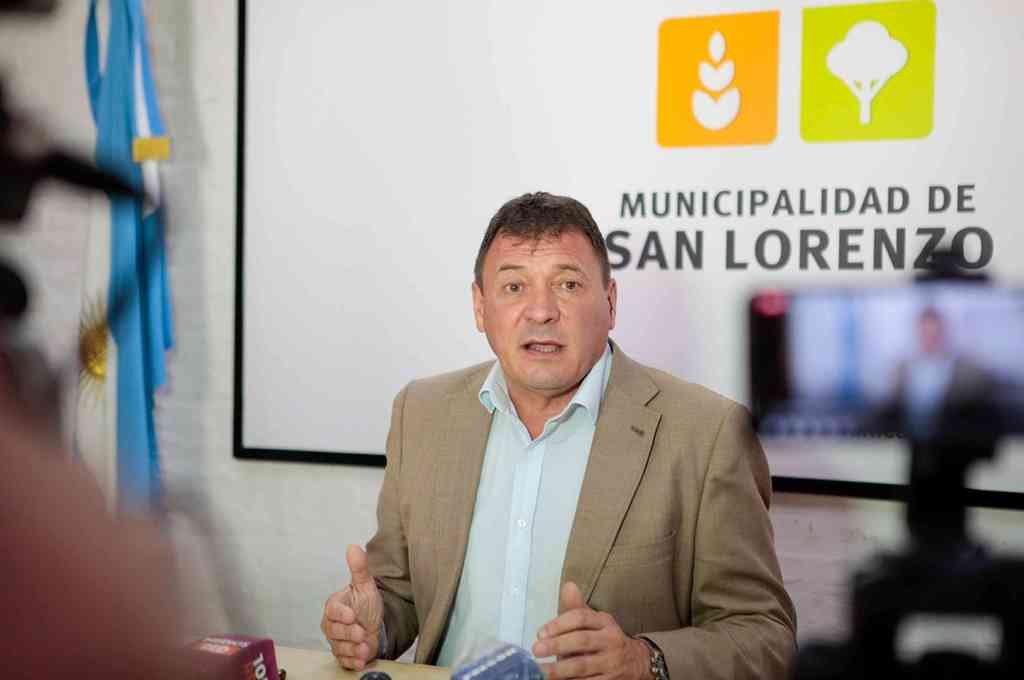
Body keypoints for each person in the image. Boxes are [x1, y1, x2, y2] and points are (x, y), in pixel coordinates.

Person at [321, 192, 796, 680]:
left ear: (610, 303)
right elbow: (398, 592)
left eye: (568, 284)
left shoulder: (708, 433)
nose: (541, 311)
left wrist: (644, 660)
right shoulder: (421, 412)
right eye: (514, 287)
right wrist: (372, 627)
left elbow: (764, 636)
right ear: (480, 307)